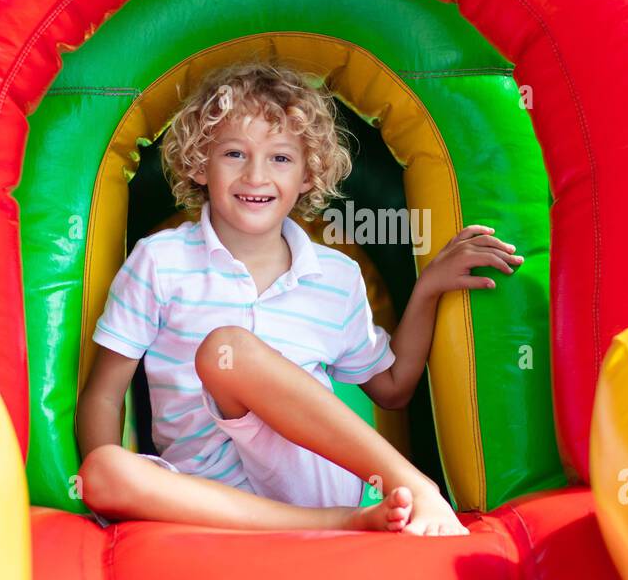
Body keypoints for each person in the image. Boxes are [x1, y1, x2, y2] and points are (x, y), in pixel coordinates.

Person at [76, 60, 524, 535]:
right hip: (203, 494)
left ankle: (414, 486)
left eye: (281, 158)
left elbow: (393, 386)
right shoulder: (159, 261)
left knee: (226, 352)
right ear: (198, 163)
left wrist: (429, 286)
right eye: (233, 154)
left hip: (307, 477)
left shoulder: (334, 276)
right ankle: (337, 523)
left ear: (308, 176)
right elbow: (104, 393)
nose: (255, 175)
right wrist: (105, 512)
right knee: (101, 471)